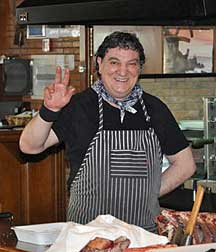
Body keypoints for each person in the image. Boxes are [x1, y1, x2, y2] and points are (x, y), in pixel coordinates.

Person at [19, 31, 196, 232]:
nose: (123, 71)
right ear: (99, 64)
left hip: (142, 236)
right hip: (86, 235)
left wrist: (149, 192)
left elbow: (185, 165)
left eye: (132, 63)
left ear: (139, 68)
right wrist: (49, 111)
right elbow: (30, 146)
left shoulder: (155, 109)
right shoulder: (79, 106)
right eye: (114, 62)